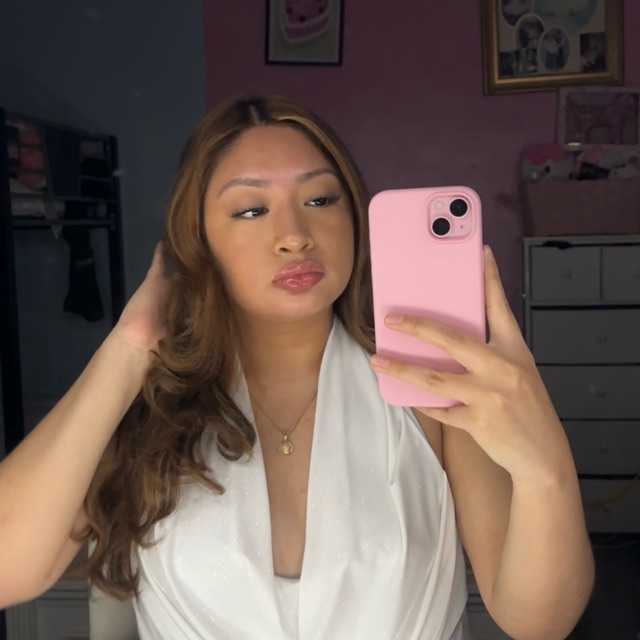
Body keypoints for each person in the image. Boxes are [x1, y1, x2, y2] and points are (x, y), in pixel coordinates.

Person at [0, 94, 593, 639]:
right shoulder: (149, 402)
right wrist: (127, 348)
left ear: (355, 218)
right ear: (198, 238)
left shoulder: (430, 389)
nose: (294, 236)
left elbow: (539, 622)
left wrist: (546, 468)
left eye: (319, 200)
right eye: (250, 210)